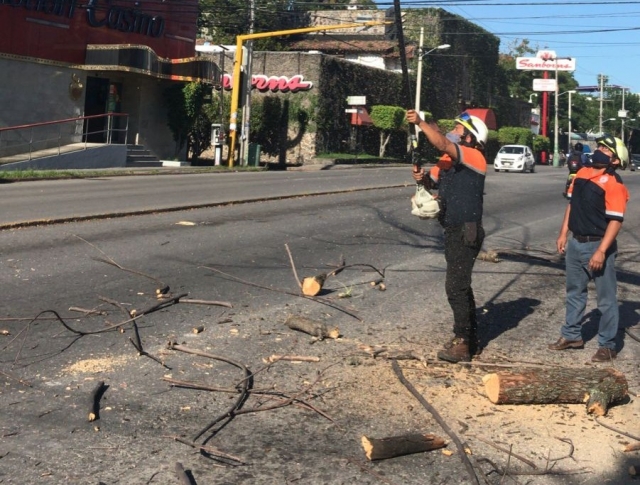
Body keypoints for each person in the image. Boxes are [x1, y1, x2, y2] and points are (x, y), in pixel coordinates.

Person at [406, 109, 488, 363]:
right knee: (460, 286)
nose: (453, 131)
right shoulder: (447, 162)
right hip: (452, 229)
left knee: (456, 287)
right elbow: (432, 181)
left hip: (466, 230)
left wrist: (420, 123)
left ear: (470, 138)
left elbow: (441, 141)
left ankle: (462, 343)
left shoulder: (474, 157)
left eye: (459, 129)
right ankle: (469, 337)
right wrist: (422, 180)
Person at [550, 134, 629, 362]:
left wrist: (602, 251)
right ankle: (572, 335)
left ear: (615, 160)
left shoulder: (614, 184)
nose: (600, 150)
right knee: (574, 293)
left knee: (606, 299)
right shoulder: (582, 174)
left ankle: (608, 345)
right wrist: (563, 233)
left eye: (606, 150)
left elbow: (616, 220)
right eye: (600, 146)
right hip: (576, 243)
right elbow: (571, 206)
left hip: (598, 245)